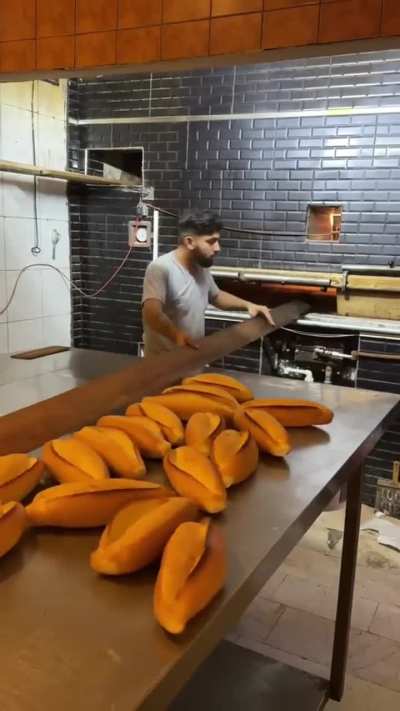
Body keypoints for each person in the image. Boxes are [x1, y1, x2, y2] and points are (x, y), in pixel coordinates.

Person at [141, 209, 274, 356]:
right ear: (189, 242)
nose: (218, 248)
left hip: (192, 357)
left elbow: (216, 296)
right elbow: (151, 314)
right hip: (164, 365)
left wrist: (249, 305)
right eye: (211, 242)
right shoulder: (160, 269)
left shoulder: (199, 267)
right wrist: (177, 336)